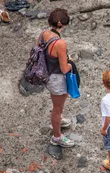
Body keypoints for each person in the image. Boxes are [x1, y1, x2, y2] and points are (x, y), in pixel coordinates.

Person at [40, 8, 75, 147]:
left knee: (57, 106)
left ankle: (58, 122)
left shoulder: (43, 34)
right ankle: (57, 136)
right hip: (57, 79)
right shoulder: (60, 43)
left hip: (47, 73)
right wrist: (70, 63)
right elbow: (64, 68)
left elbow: (40, 51)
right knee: (57, 108)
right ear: (64, 24)